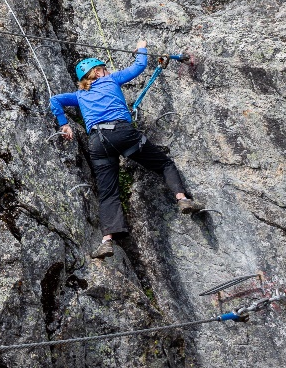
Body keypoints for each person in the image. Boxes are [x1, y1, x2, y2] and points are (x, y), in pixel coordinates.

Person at [51, 47, 205, 259]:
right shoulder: (111, 79)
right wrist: (141, 47)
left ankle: (107, 240)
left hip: (98, 143)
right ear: (97, 72)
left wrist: (65, 124)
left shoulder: (79, 95)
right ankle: (182, 199)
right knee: (164, 164)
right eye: (103, 68)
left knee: (108, 192)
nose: (106, 70)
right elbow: (139, 66)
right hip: (122, 133)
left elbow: (55, 100)